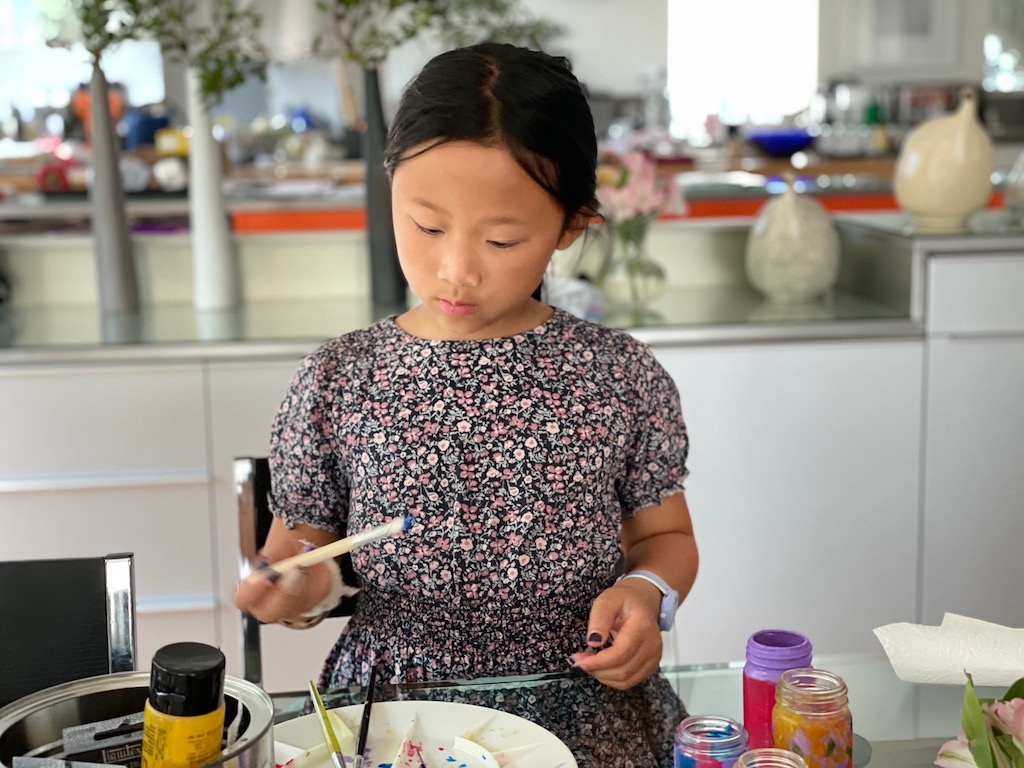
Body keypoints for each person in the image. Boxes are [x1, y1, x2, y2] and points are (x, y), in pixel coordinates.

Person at [233, 42, 699, 767]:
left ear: (571, 226)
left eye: (503, 238)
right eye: (425, 225)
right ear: (389, 188)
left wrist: (645, 594)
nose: (456, 269)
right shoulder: (339, 376)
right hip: (394, 718)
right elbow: (303, 550)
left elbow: (666, 541)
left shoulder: (620, 374)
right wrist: (297, 584)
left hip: (582, 697)